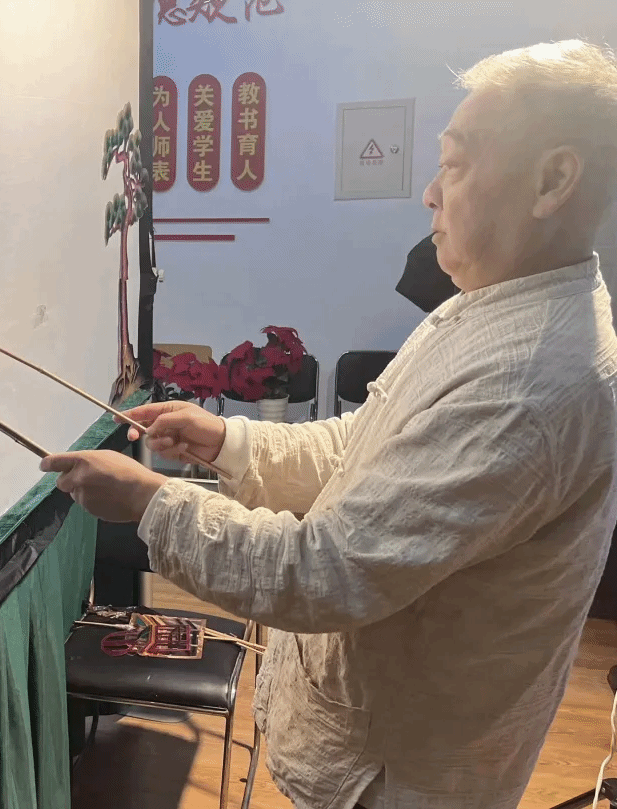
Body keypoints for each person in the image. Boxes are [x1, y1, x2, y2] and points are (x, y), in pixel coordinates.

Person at [41, 40, 617, 809]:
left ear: (551, 180)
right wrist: (229, 441)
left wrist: (151, 502)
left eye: (454, 164)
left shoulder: (530, 383)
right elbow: (364, 440)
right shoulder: (488, 307)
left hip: (402, 778)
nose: (430, 193)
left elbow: (326, 571)